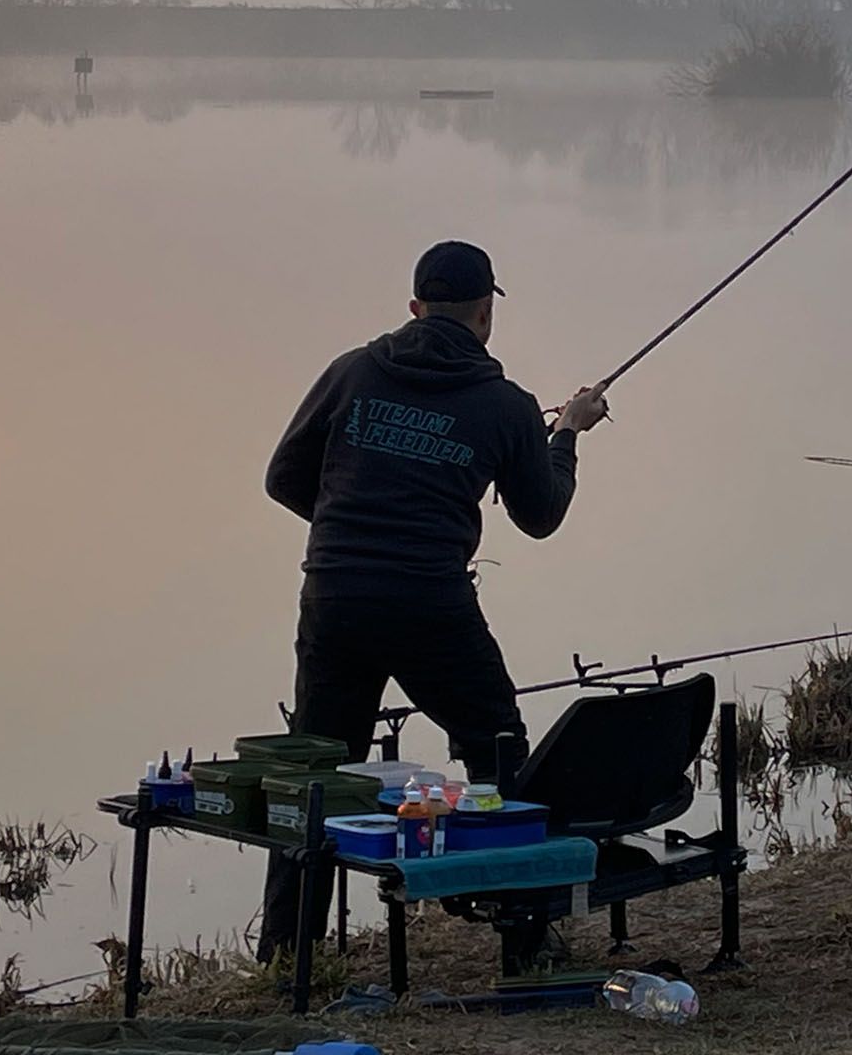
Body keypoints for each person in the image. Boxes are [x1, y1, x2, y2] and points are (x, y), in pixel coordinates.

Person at [256, 239, 609, 961]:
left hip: (335, 595)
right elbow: (540, 516)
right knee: (498, 748)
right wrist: (567, 435)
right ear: (486, 315)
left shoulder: (352, 372)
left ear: (415, 308)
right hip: (430, 602)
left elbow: (283, 476)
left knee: (317, 773)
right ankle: (525, 933)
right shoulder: (506, 406)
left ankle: (287, 957)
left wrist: (347, 533)